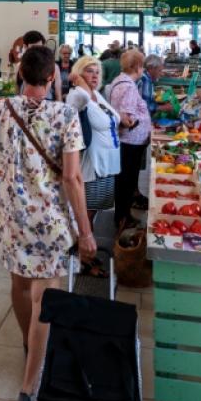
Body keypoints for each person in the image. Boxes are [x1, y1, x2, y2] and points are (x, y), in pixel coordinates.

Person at [0, 45, 95, 401]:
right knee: (46, 297)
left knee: (20, 287)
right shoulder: (66, 115)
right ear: (52, 77)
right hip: (51, 222)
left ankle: (30, 344)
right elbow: (72, 178)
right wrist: (86, 232)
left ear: (21, 75)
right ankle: (29, 387)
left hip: (12, 219)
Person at [67, 56, 120, 275]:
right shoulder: (78, 95)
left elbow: (114, 118)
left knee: (94, 210)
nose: (95, 75)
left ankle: (87, 251)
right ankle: (83, 259)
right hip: (93, 164)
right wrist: (80, 84)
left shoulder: (97, 95)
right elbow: (72, 112)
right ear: (79, 74)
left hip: (107, 164)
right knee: (86, 212)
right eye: (89, 71)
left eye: (97, 71)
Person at [107, 50, 152, 230]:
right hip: (131, 142)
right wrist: (138, 122)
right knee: (127, 181)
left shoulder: (119, 81)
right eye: (142, 66)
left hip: (126, 141)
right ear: (137, 67)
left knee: (124, 181)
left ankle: (122, 216)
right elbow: (126, 118)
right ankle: (123, 218)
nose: (143, 70)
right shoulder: (130, 87)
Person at [16, 30, 63, 101]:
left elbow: (58, 93)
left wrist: (60, 106)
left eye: (40, 47)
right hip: (24, 103)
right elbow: (17, 88)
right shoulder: (20, 66)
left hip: (47, 103)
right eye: (33, 48)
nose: (37, 52)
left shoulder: (53, 67)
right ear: (25, 47)